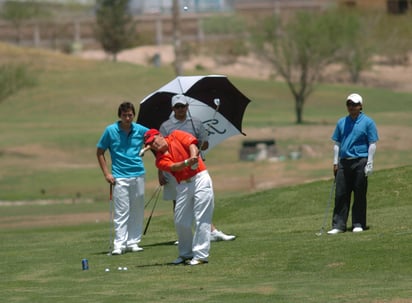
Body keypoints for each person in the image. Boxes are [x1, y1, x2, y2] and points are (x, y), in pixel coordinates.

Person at [158, 94, 236, 242]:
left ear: (187, 107)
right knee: (178, 201)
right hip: (175, 168)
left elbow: (204, 144)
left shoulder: (196, 123)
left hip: (195, 166)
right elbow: (161, 150)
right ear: (173, 108)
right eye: (177, 107)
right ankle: (184, 235)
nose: (181, 109)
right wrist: (160, 172)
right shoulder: (165, 126)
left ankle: (211, 231)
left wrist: (203, 142)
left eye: (183, 106)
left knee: (200, 199)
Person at [144, 128, 214, 265]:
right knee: (180, 220)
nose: (154, 145)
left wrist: (194, 158)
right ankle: (186, 254)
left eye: (153, 141)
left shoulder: (176, 134)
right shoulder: (159, 160)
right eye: (150, 144)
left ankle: (200, 255)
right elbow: (175, 167)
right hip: (183, 184)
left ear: (159, 135)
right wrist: (188, 162)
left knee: (202, 217)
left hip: (200, 178)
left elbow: (191, 145)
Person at [96, 101, 149, 255]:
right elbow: (100, 152)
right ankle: (119, 244)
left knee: (137, 210)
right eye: (125, 115)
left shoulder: (139, 130)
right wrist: (107, 173)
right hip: (119, 176)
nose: (128, 118)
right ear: (120, 115)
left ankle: (133, 242)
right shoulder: (110, 130)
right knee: (121, 211)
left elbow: (156, 137)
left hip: (138, 174)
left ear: (134, 115)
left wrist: (146, 147)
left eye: (130, 115)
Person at [327, 93, 379, 235]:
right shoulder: (341, 122)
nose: (352, 107)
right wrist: (335, 162)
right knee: (341, 194)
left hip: (361, 161)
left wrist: (370, 162)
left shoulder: (368, 122)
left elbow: (372, 143)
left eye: (355, 104)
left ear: (360, 106)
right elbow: (337, 143)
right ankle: (338, 225)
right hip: (344, 162)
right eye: (349, 104)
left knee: (359, 193)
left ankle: (358, 223)